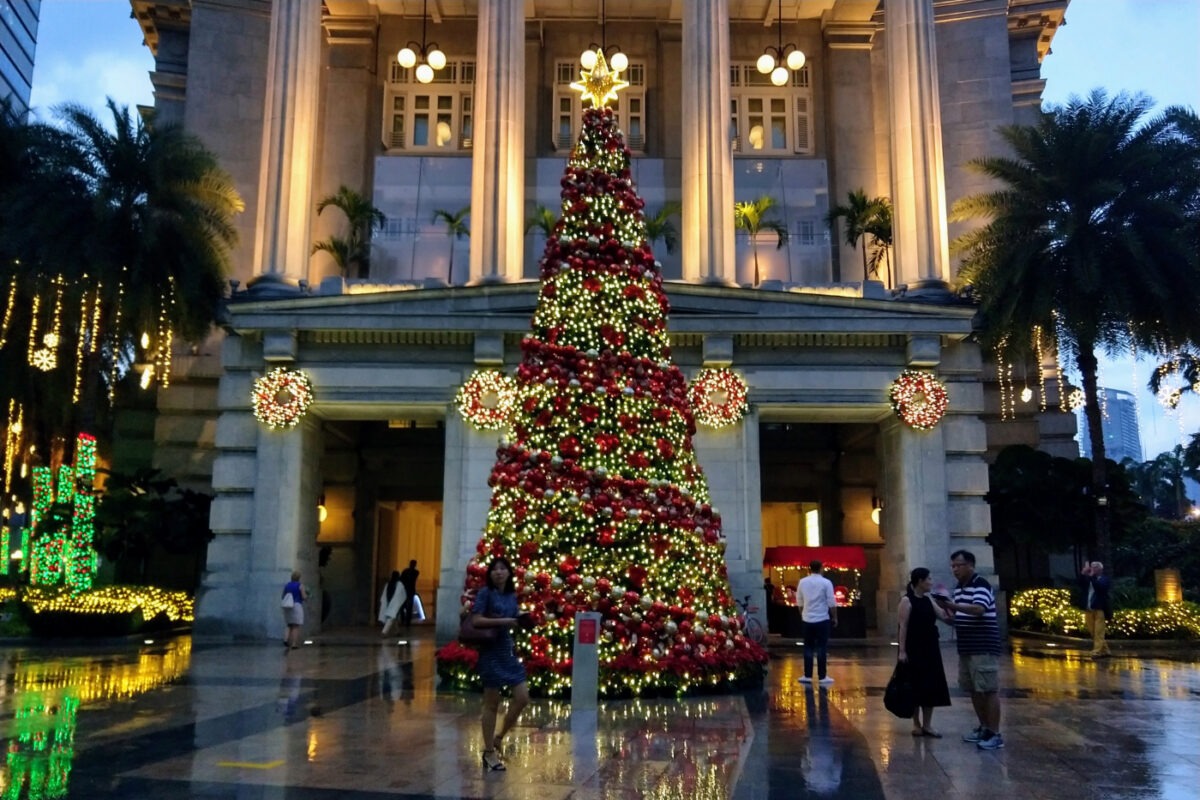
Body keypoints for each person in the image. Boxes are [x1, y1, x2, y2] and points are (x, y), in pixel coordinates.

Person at [935, 550, 1004, 750]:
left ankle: (995, 732)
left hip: (983, 644)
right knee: (973, 688)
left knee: (988, 689)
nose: (955, 569)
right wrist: (942, 612)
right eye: (953, 566)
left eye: (959, 565)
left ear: (971, 565)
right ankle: (984, 727)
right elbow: (961, 616)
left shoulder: (980, 584)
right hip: (967, 645)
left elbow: (979, 609)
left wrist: (952, 606)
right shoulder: (960, 587)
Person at [470, 556, 531, 772]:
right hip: (490, 651)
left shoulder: (511, 595)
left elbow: (513, 615)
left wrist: (523, 617)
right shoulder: (486, 593)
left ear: (509, 572)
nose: (498, 572)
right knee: (491, 703)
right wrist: (505, 621)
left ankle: (499, 736)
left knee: (522, 697)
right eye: (495, 569)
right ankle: (488, 753)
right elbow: (476, 620)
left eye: (503, 568)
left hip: (507, 650)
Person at [897, 567, 953, 737]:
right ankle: (916, 723)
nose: (931, 582)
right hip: (914, 647)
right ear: (920, 581)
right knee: (915, 685)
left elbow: (944, 616)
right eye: (928, 579)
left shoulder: (929, 600)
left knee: (931, 685)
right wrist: (902, 651)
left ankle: (928, 724)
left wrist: (948, 604)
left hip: (930, 646)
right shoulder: (907, 601)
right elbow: (903, 626)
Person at [795, 560, 838, 685]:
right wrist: (835, 617)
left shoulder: (802, 582)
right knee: (821, 647)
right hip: (822, 619)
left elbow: (799, 601)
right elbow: (831, 601)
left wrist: (803, 614)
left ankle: (807, 675)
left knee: (808, 647)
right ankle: (822, 676)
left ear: (810, 569)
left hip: (807, 619)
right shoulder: (826, 583)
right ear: (821, 568)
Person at [1078, 561, 1113, 658]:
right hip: (1088, 608)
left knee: (1099, 631)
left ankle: (1096, 651)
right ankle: (1105, 650)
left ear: (1101, 569)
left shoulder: (1105, 579)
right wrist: (1083, 573)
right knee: (1092, 631)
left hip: (1099, 609)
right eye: (1092, 566)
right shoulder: (1088, 579)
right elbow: (1080, 584)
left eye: (1096, 567)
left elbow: (1100, 587)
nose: (1093, 568)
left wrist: (1091, 577)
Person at [281, 570, 309, 652]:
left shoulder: (287, 585)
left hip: (288, 606)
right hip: (297, 605)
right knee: (296, 626)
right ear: (299, 578)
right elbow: (304, 597)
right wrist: (308, 596)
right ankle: (294, 644)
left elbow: (283, 596)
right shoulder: (300, 585)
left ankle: (285, 640)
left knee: (289, 625)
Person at [378, 570, 407, 636]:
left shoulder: (388, 584)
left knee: (394, 617)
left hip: (389, 602)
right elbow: (402, 594)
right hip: (394, 603)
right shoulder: (399, 585)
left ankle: (397, 632)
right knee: (391, 618)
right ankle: (384, 632)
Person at [399, 559, 420, 628]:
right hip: (409, 591)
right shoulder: (414, 572)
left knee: (406, 606)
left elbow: (402, 579)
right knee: (405, 606)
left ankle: (406, 621)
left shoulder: (409, 572)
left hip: (408, 591)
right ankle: (405, 620)